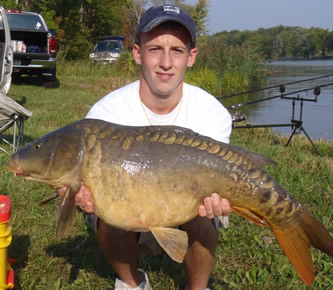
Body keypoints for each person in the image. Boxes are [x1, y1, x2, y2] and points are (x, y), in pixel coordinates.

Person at [70, 5, 233, 290]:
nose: (166, 63)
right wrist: (80, 193)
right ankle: (133, 283)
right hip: (127, 211)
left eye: (177, 50)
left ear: (191, 57)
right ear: (137, 53)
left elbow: (214, 185)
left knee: (204, 213)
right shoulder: (105, 113)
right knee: (107, 209)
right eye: (155, 49)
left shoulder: (210, 112)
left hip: (189, 208)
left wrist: (217, 198)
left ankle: (198, 287)